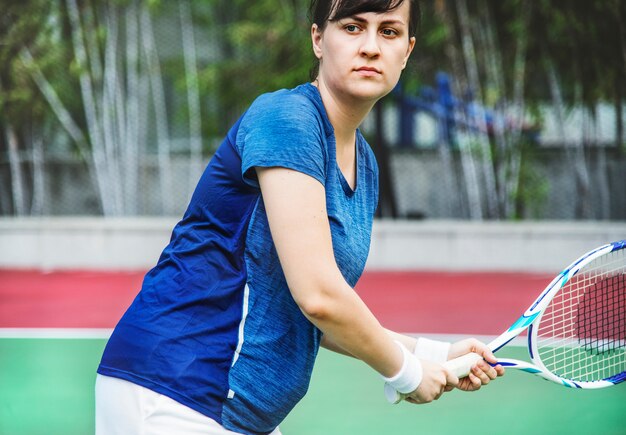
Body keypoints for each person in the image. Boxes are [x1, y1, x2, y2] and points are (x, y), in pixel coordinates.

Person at [95, 0, 504, 433]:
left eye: (389, 32)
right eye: (352, 27)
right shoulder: (287, 120)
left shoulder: (363, 164)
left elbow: (298, 310)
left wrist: (433, 354)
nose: (370, 46)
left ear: (407, 51)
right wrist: (406, 372)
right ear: (317, 40)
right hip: (176, 389)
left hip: (236, 411)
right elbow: (318, 295)